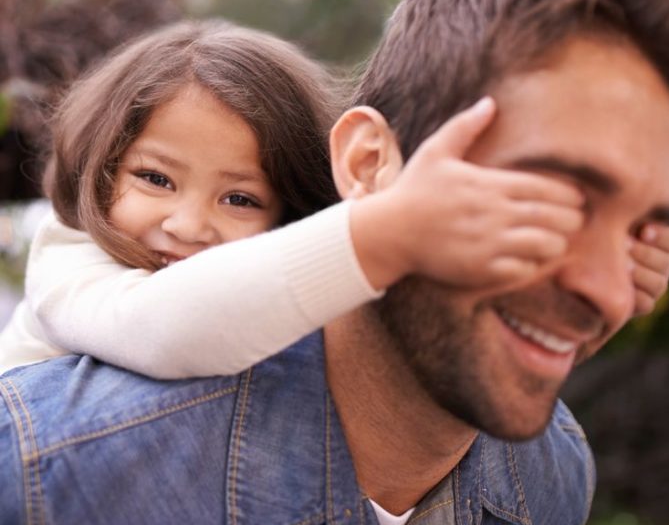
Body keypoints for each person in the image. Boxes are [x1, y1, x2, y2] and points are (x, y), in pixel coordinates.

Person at [1, 0, 669, 525]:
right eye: (538, 205)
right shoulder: (47, 473)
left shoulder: (552, 488)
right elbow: (160, 323)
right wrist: (382, 231)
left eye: (640, 234)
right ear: (366, 167)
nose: (612, 290)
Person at [0, 20, 598, 378]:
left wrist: (584, 292)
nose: (187, 224)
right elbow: (163, 328)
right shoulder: (70, 259)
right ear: (100, 171)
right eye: (156, 179)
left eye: (238, 198)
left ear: (292, 210)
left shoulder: (266, 294)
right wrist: (385, 230)